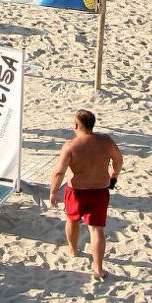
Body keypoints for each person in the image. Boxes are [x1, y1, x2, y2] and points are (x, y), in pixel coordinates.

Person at [50, 108, 122, 282]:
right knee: (97, 229)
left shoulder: (71, 145)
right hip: (100, 190)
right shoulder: (106, 141)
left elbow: (59, 171)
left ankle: (73, 250)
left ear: (76, 125)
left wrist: (53, 191)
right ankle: (98, 267)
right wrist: (114, 175)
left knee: (72, 220)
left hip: (77, 191)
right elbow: (118, 160)